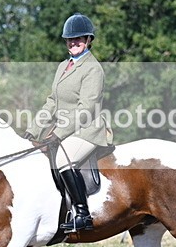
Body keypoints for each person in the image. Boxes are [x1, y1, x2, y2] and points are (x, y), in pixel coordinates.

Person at [24, 13, 113, 233]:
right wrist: (32, 131)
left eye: (78, 39)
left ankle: (83, 215)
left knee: (63, 160)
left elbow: (87, 108)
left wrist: (59, 133)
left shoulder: (93, 69)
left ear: (88, 40)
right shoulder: (64, 65)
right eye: (70, 39)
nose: (74, 43)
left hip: (87, 129)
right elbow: (52, 102)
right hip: (66, 129)